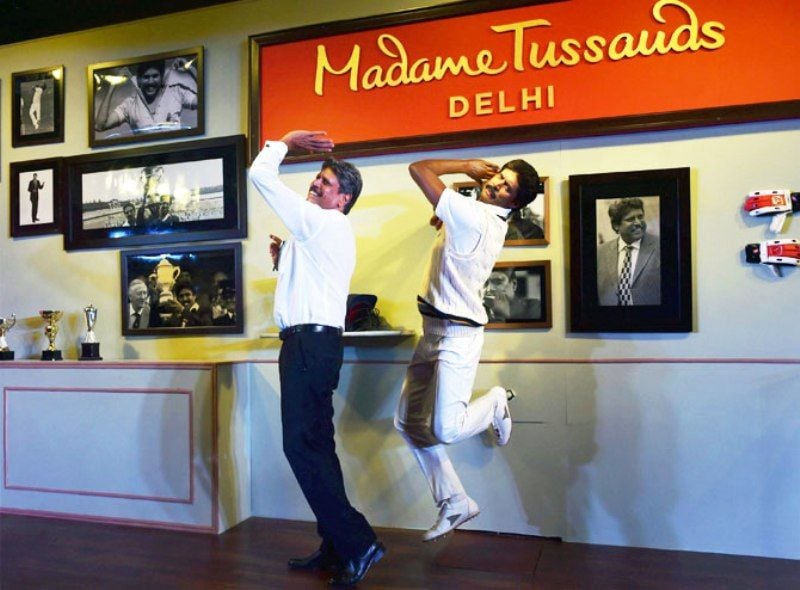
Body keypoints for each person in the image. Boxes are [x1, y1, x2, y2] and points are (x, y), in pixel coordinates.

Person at [249, 129, 384, 587]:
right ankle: (336, 544)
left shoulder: (322, 222)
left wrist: (285, 141)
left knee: (300, 446)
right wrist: (284, 259)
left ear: (343, 199)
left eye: (326, 183)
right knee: (318, 447)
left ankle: (359, 543)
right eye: (318, 178)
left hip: (308, 347)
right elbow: (310, 287)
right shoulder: (321, 231)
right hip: (313, 346)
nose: (316, 184)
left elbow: (260, 175)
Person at [394, 156, 539, 542]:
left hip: (457, 336)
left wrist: (467, 166)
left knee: (446, 428)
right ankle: (455, 501)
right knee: (408, 423)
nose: (496, 185)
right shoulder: (477, 215)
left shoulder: (475, 216)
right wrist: (445, 221)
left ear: (514, 202)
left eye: (506, 187)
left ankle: (494, 402)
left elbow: (418, 169)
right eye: (499, 177)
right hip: (432, 329)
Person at [94, 59, 197, 135]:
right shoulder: (129, 105)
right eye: (146, 77)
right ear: (138, 80)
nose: (151, 81)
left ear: (161, 77)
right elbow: (99, 126)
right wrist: (112, 85)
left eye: (155, 76)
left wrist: (190, 69)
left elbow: (202, 103)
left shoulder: (176, 92)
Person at [596, 197, 661, 306]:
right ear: (616, 226)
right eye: (631, 219)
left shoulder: (660, 246)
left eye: (640, 217)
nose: (638, 222)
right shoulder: (600, 252)